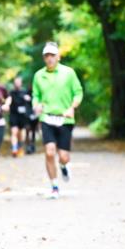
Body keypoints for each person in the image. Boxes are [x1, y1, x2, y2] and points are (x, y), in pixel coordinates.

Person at [32, 42, 83, 199]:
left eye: (52, 55)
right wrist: (36, 105)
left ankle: (63, 165)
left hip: (65, 119)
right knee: (49, 152)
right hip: (47, 118)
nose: (50, 58)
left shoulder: (69, 73)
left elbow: (78, 92)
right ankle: (54, 186)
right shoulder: (38, 75)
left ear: (58, 57)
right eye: (46, 56)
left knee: (63, 156)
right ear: (44, 58)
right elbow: (35, 95)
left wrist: (72, 107)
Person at [8, 76, 31, 157]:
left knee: (22, 133)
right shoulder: (11, 92)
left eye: (18, 82)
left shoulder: (25, 92)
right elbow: (8, 100)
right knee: (14, 132)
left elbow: (30, 101)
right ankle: (14, 149)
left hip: (22, 116)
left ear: (21, 83)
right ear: (14, 83)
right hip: (14, 115)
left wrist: (28, 98)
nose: (17, 83)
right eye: (16, 82)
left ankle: (20, 147)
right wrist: (7, 104)